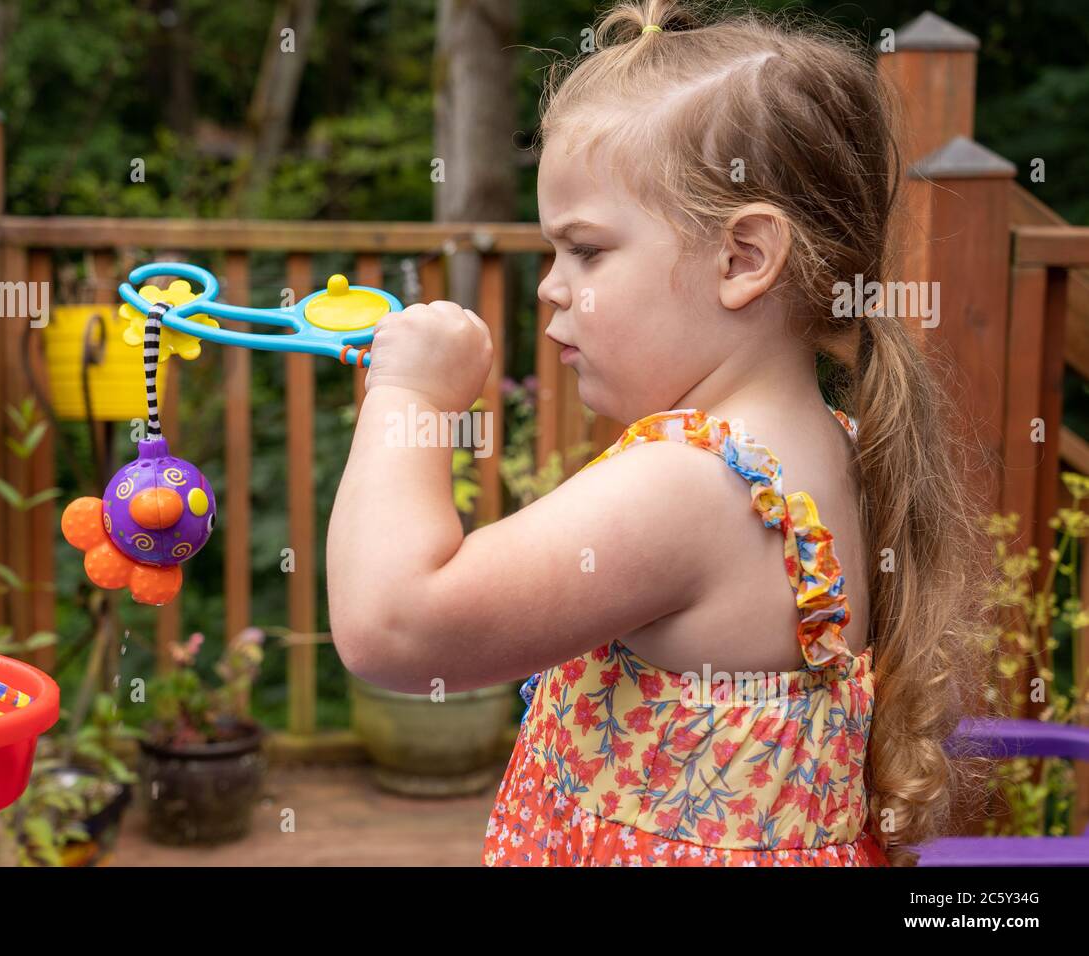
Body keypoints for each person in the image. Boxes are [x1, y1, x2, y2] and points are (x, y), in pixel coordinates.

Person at [327, 0, 992, 866]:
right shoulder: (829, 445)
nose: (551, 289)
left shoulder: (692, 482)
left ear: (743, 259)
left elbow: (396, 628)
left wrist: (410, 393)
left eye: (588, 251)